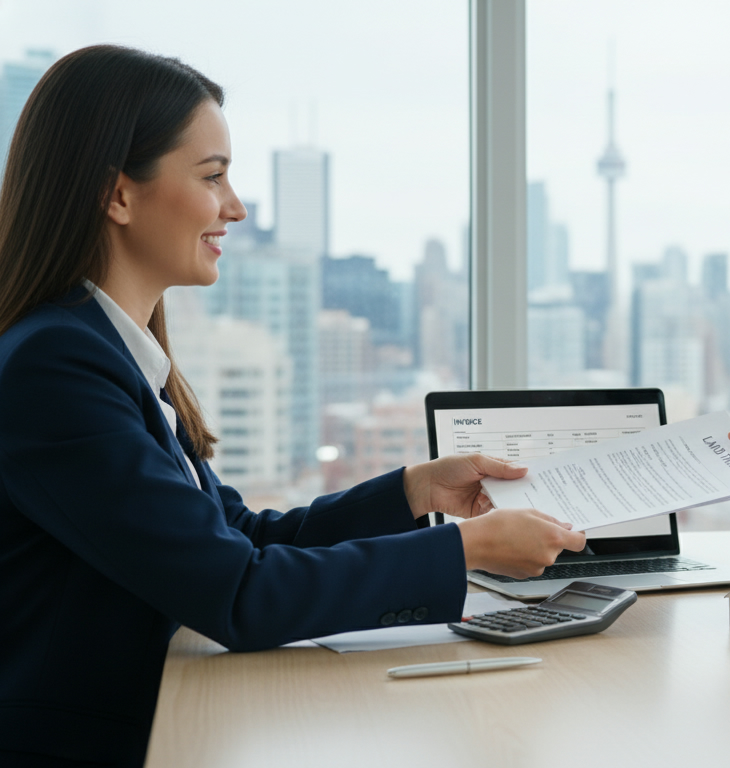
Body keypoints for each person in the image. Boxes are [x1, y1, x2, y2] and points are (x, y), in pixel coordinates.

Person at [0, 45, 586, 766]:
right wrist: (463, 551)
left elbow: (233, 536)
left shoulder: (108, 351)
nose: (236, 208)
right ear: (117, 194)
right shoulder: (54, 367)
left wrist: (413, 493)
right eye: (212, 176)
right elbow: (237, 593)